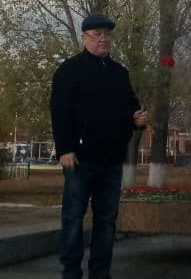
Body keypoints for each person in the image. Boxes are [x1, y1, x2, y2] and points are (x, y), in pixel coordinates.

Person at [50, 14, 149, 279]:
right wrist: (65, 149)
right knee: (73, 219)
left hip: (111, 160)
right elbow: (59, 112)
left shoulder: (119, 73)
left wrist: (138, 120)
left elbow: (131, 107)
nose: (103, 39)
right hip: (80, 160)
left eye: (107, 34)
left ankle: (100, 272)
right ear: (85, 38)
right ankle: (71, 271)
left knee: (106, 221)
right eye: (97, 35)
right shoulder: (69, 70)